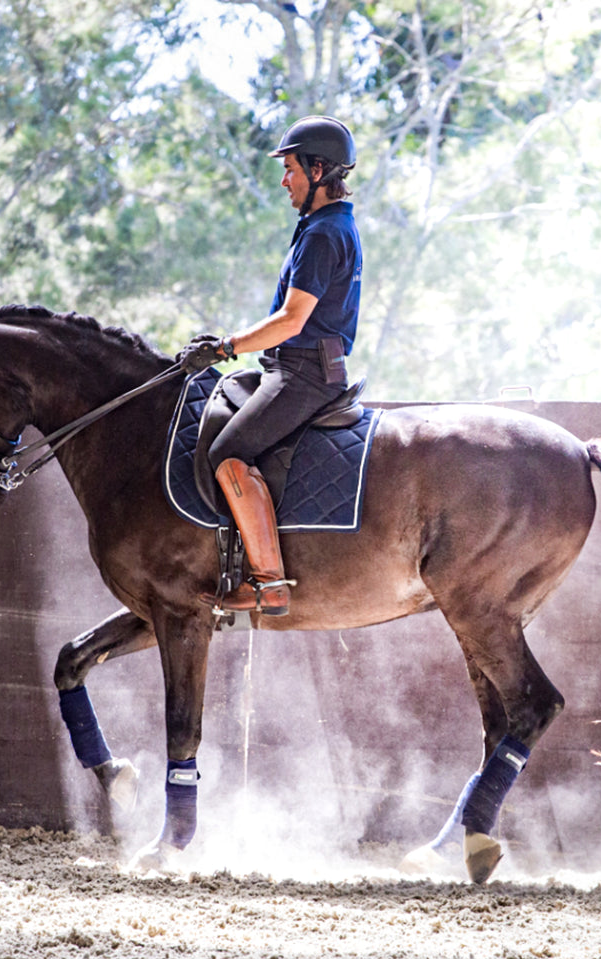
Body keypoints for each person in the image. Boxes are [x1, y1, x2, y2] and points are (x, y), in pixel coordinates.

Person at [177, 115, 362, 616]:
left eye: (291, 170)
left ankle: (270, 582)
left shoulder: (324, 235)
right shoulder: (323, 226)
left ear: (318, 169)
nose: (285, 181)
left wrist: (225, 346)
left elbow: (292, 319)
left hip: (303, 374)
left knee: (229, 453)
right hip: (291, 367)